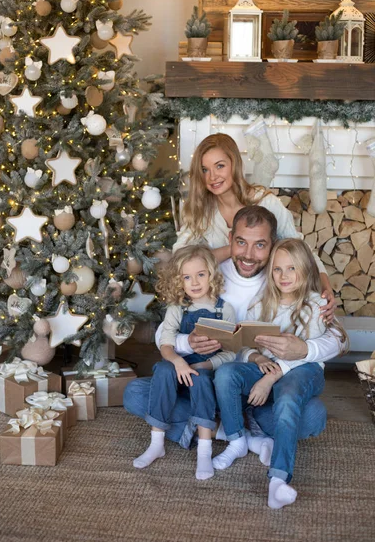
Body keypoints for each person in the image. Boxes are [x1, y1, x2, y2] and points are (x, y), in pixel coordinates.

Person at [124, 206, 342, 465]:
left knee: (314, 416)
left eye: (260, 245)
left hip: (257, 386)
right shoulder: (209, 274)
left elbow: (337, 337)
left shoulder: (285, 278)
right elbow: (166, 330)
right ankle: (241, 435)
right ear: (230, 240)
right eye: (241, 243)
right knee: (135, 393)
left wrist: (304, 350)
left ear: (273, 245)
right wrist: (187, 341)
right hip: (204, 379)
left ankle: (214, 428)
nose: (249, 254)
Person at [212, 238, 349, 509]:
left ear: (306, 271)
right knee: (226, 373)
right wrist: (257, 357)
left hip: (302, 371)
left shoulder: (315, 305)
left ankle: (278, 480)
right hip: (268, 369)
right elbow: (244, 348)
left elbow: (312, 352)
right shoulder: (261, 304)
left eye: (291, 269)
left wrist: (271, 377)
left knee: (288, 398)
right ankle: (237, 438)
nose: (283, 276)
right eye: (277, 269)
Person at [173, 132, 335, 322]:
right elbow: (181, 258)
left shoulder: (266, 202)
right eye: (205, 169)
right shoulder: (199, 211)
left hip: (267, 300)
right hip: (220, 303)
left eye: (220, 166)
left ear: (234, 164)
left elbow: (299, 249)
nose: (212, 177)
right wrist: (233, 249)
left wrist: (326, 286)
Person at [133, 244, 236, 480]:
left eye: (201, 274)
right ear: (179, 281)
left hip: (204, 370)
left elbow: (230, 353)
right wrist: (179, 362)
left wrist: (203, 366)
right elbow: (166, 343)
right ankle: (156, 442)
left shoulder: (224, 310)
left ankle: (204, 450)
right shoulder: (178, 308)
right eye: (187, 277)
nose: (195, 282)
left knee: (199, 380)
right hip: (177, 368)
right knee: (163, 368)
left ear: (212, 274)